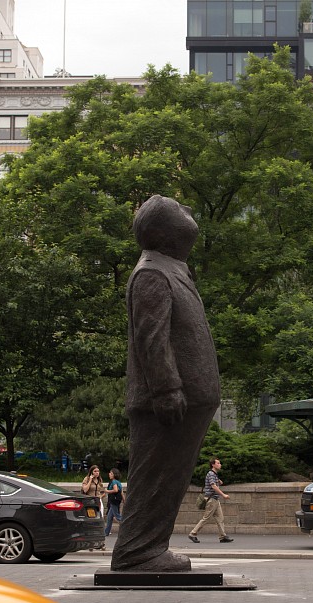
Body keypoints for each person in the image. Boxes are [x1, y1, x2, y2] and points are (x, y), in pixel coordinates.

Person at [111, 195, 220, 572]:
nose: (189, 210)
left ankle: (149, 547)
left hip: (184, 401)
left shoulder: (172, 268)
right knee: (156, 477)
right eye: (179, 209)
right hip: (168, 403)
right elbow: (151, 338)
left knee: (169, 479)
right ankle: (137, 551)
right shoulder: (152, 272)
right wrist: (167, 389)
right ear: (163, 230)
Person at [188, 457, 233, 543]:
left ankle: (223, 537)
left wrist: (218, 481)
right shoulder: (211, 474)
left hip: (215, 499)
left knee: (220, 518)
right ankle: (192, 534)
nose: (220, 465)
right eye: (218, 463)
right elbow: (213, 486)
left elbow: (214, 483)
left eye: (219, 463)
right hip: (212, 500)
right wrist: (223, 495)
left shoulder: (214, 474)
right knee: (206, 518)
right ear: (213, 464)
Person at [81, 464, 106, 550]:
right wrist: (90, 480)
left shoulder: (99, 480)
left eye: (98, 471)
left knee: (101, 520)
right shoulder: (87, 479)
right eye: (95, 471)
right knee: (91, 521)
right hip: (90, 502)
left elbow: (101, 490)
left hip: (98, 501)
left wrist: (101, 497)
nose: (97, 473)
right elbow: (85, 490)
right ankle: (91, 542)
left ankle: (101, 542)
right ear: (91, 472)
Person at [105, 468, 124, 537]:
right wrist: (124, 500)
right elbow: (121, 492)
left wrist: (107, 491)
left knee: (117, 516)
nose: (109, 474)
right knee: (109, 517)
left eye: (111, 473)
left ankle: (128, 525)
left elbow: (115, 490)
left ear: (114, 475)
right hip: (117, 500)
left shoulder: (113, 482)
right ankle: (106, 532)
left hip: (113, 500)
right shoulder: (119, 482)